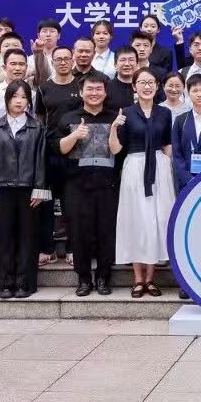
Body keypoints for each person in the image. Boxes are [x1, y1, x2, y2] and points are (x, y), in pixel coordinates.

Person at [0, 80, 48, 299]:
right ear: (7, 99)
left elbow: (41, 160)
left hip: (29, 190)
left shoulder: (37, 128)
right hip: (2, 189)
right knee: (4, 237)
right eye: (15, 96)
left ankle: (25, 283)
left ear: (29, 101)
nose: (19, 101)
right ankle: (6, 283)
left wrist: (39, 188)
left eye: (24, 97)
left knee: (28, 237)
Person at [110, 68, 174, 298]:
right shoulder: (126, 113)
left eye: (151, 82)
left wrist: (167, 167)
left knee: (156, 219)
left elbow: (167, 144)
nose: (147, 86)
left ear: (157, 86)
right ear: (134, 87)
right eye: (142, 82)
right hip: (134, 168)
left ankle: (150, 279)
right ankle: (137, 279)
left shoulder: (165, 113)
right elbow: (115, 149)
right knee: (136, 220)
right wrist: (113, 128)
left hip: (159, 169)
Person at [58, 71, 119, 296]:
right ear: (81, 92)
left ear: (105, 92)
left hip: (108, 186)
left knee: (106, 232)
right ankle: (83, 279)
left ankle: (103, 277)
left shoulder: (116, 117)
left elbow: (120, 151)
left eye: (98, 89)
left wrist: (114, 130)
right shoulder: (68, 118)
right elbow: (59, 148)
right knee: (79, 233)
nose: (94, 93)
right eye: (90, 89)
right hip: (76, 185)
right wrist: (75, 136)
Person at [35, 46, 80, 267]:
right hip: (50, 150)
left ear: (73, 61)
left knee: (73, 201)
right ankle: (47, 248)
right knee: (46, 201)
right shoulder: (44, 88)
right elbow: (39, 118)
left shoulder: (80, 86)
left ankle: (73, 247)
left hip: (76, 150)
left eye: (66, 58)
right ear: (52, 62)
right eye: (58, 59)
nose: (63, 62)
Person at [28, 18, 62, 86]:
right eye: (44, 31)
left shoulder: (65, 57)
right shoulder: (30, 59)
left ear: (58, 35)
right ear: (38, 35)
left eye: (52, 31)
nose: (48, 34)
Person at [105, 46, 139, 112]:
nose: (127, 64)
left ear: (137, 64)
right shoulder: (106, 87)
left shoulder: (144, 86)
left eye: (131, 60)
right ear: (115, 65)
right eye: (123, 60)